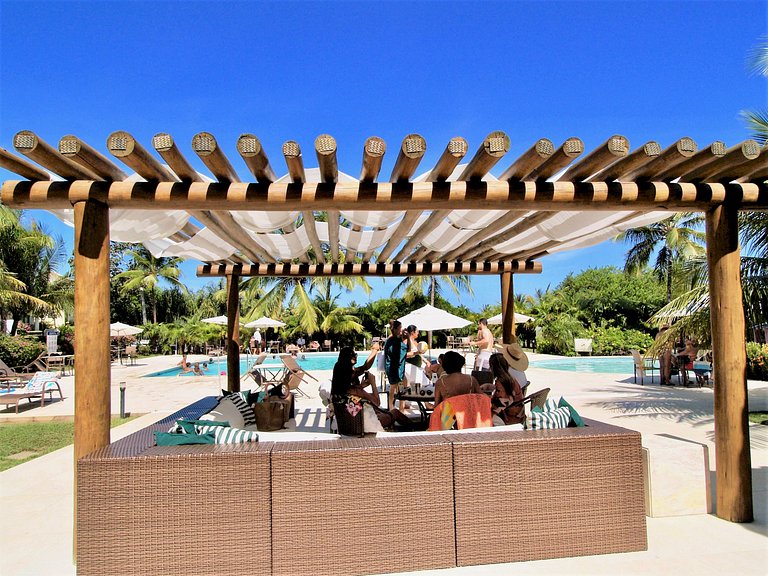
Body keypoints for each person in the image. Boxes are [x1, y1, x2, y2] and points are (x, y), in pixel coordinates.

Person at [330, 345, 412, 429]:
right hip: (366, 425)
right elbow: (377, 402)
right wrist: (373, 383)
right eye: (354, 355)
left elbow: (364, 367)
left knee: (377, 410)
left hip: (350, 425)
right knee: (395, 413)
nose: (356, 356)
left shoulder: (340, 391)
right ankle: (414, 428)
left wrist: (361, 387)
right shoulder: (355, 391)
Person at [488, 353, 525, 426]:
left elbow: (502, 402)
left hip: (509, 418)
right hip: (519, 415)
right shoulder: (511, 379)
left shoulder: (501, 382)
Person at [384, 320, 407, 409]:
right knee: (393, 387)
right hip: (393, 368)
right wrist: (407, 338)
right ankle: (392, 407)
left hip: (394, 367)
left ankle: (400, 407)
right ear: (396, 329)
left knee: (401, 385)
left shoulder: (393, 339)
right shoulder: (393, 341)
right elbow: (403, 353)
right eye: (400, 328)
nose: (401, 329)